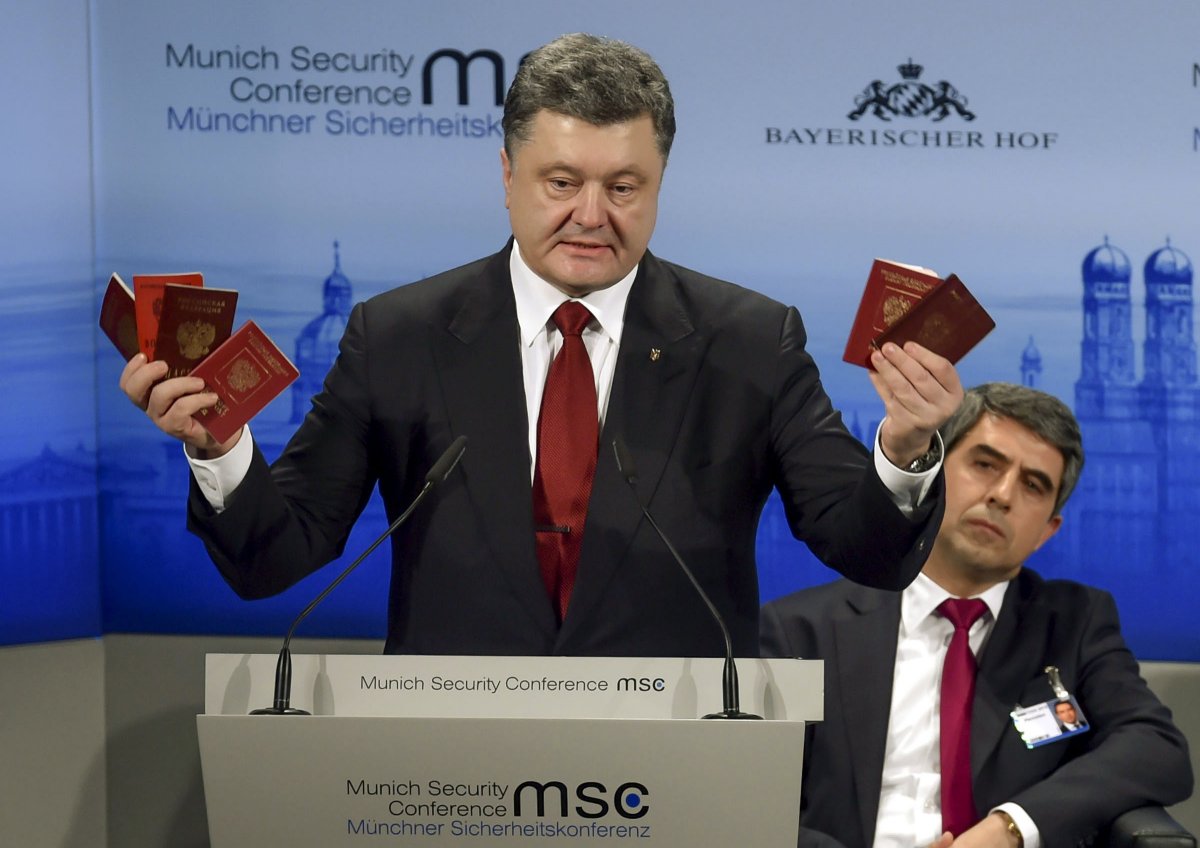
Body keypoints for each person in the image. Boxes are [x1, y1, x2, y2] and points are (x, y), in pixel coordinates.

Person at [119, 33, 963, 657]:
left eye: (623, 187)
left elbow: (866, 552)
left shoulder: (750, 340)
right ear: (507, 176)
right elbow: (275, 557)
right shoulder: (399, 336)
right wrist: (219, 446)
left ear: (660, 185)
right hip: (455, 771)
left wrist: (904, 447)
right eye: (562, 182)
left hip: (674, 765)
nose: (591, 216)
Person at [761, 383, 1193, 848]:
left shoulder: (1074, 624)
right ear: (936, 476)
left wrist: (1011, 827)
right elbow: (753, 800)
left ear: (1047, 532)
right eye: (985, 464)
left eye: (1033, 485)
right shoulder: (800, 632)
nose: (1003, 495)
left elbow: (1156, 746)